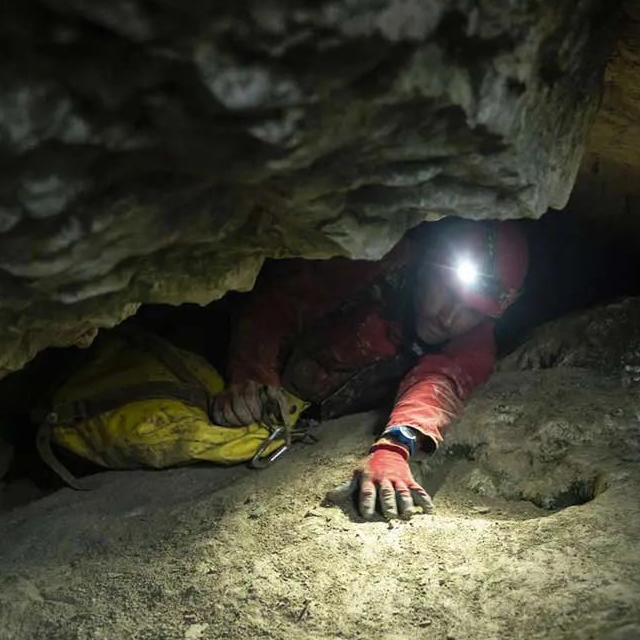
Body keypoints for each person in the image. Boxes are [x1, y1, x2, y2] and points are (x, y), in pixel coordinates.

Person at [209, 218, 529, 520]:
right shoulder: (373, 262)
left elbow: (437, 384)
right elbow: (279, 308)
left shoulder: (475, 342)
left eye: (472, 311)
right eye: (446, 291)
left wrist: (395, 448)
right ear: (429, 263)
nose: (449, 318)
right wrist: (252, 376)